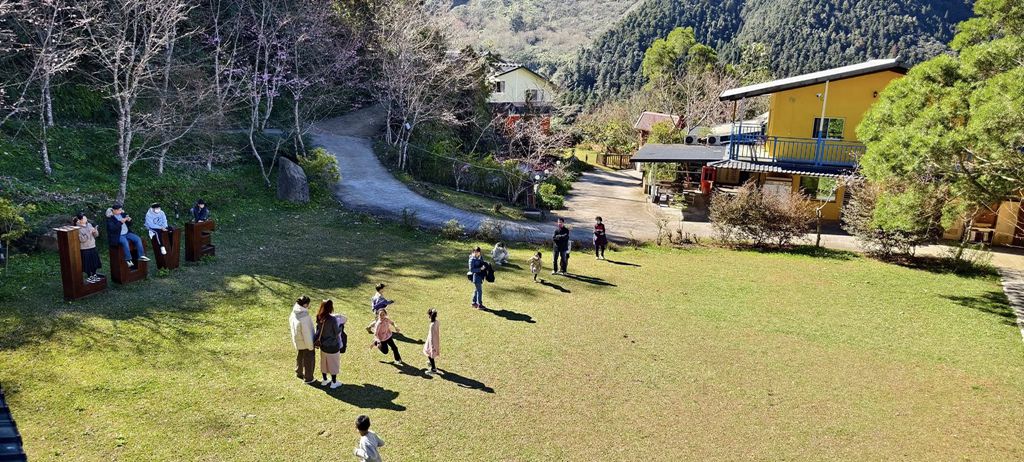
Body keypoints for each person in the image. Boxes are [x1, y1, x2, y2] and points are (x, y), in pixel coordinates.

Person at [315, 299, 343, 389]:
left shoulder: (319, 317)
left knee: (324, 362)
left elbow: (318, 330)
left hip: (323, 345)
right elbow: (336, 332)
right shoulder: (333, 319)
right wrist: (341, 327)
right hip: (333, 345)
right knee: (334, 363)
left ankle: (324, 380)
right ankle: (334, 382)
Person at [289, 295, 316, 384]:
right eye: (308, 304)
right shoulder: (304, 316)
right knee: (309, 358)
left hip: (298, 339)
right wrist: (310, 346)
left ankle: (299, 372)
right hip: (305, 341)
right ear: (305, 305)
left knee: (300, 356)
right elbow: (307, 333)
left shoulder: (294, 312)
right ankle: (308, 378)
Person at [74, 213, 103, 284]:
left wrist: (95, 231)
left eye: (86, 218)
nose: (86, 219)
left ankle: (94, 274)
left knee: (94, 262)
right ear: (79, 220)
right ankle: (89, 276)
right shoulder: (77, 229)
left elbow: (96, 235)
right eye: (84, 218)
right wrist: (89, 233)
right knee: (87, 263)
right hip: (85, 248)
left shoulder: (89, 224)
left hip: (92, 246)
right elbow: (82, 240)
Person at [423, 308, 440, 375]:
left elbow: (431, 336)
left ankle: (433, 369)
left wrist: (432, 346)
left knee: (429, 353)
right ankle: (431, 362)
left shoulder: (432, 325)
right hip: (435, 340)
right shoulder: (437, 322)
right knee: (430, 354)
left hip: (431, 342)